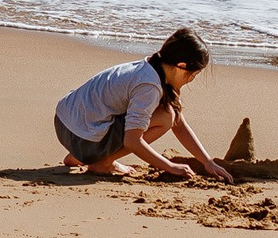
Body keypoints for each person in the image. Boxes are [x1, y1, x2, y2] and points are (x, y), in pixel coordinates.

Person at [54, 29, 236, 182]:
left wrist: (207, 162)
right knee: (166, 117)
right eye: (192, 75)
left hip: (64, 125)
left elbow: (180, 124)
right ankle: (102, 162)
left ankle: (79, 156)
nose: (190, 80)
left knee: (170, 114)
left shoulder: (149, 66)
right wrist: (170, 167)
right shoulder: (149, 86)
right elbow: (132, 141)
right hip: (83, 139)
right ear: (181, 66)